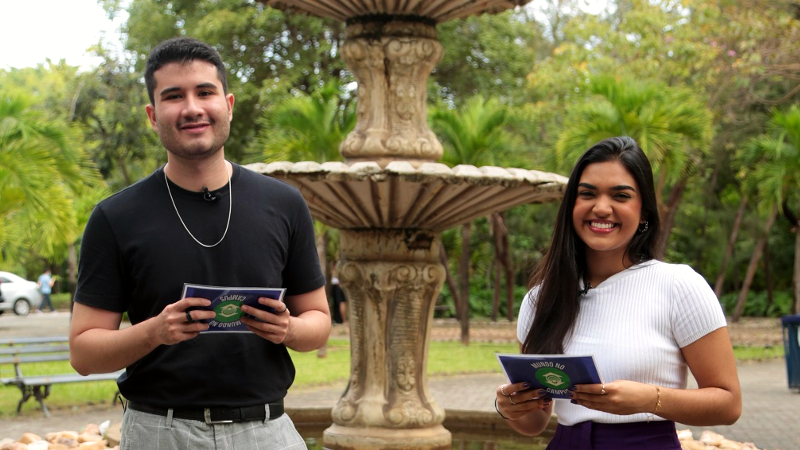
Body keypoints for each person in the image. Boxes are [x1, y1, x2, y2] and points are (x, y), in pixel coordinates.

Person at [69, 37, 330, 450]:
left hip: (265, 431)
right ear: (153, 116)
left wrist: (288, 328)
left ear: (227, 104)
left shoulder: (283, 203)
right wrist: (155, 331)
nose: (192, 108)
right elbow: (84, 353)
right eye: (174, 96)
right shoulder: (115, 217)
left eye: (204, 92)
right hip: (160, 431)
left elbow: (318, 322)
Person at [495, 137, 741, 449]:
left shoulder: (679, 285)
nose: (601, 207)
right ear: (572, 205)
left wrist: (651, 399)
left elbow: (729, 403)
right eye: (587, 194)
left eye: (620, 195)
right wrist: (509, 407)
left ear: (644, 213)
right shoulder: (541, 298)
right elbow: (535, 423)